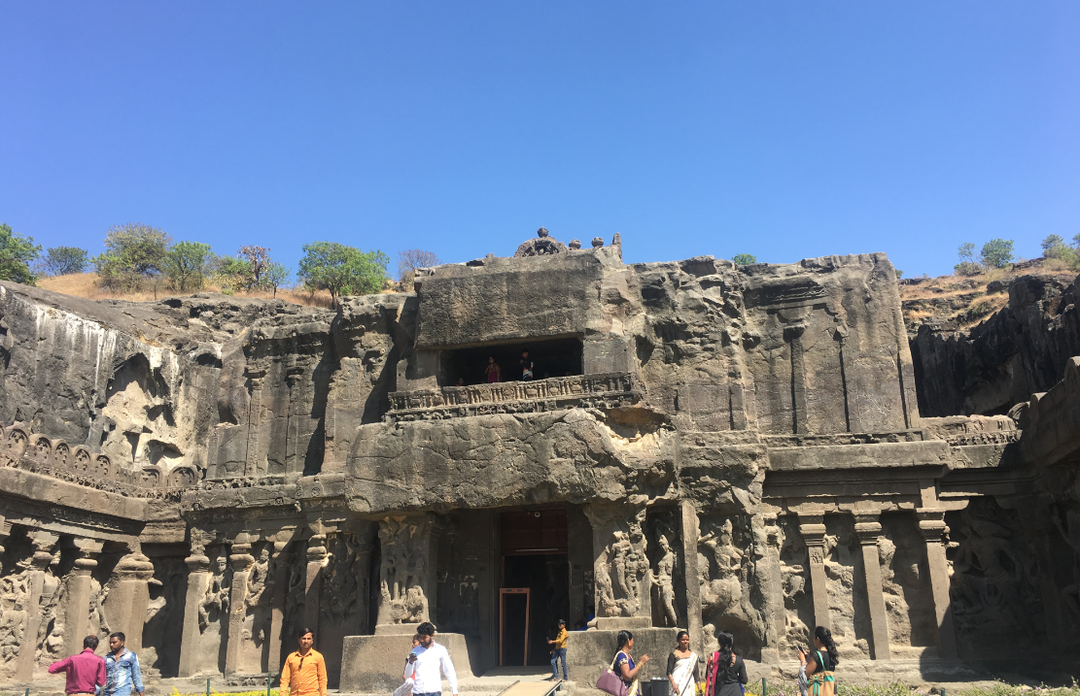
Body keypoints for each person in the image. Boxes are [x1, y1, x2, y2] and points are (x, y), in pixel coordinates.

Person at [407, 621, 458, 696]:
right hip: (418, 691)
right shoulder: (415, 651)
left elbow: (449, 670)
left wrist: (454, 691)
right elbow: (408, 675)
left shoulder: (440, 649)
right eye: (420, 637)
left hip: (434, 691)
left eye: (425, 637)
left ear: (432, 636)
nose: (422, 640)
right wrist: (410, 663)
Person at [280, 628, 327, 696]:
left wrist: (324, 694)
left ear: (312, 641)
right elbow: (285, 678)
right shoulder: (291, 657)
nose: (306, 641)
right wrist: (282, 694)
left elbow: (322, 678)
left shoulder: (318, 657)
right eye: (303, 638)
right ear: (299, 640)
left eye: (308, 639)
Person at [797, 626, 838, 696]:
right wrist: (809, 659)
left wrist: (803, 660)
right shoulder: (831, 654)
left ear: (818, 639)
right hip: (829, 691)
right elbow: (821, 666)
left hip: (818, 692)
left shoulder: (816, 655)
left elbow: (805, 675)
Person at [704, 631, 746, 696]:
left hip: (720, 691)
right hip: (736, 692)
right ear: (732, 643)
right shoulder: (738, 659)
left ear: (719, 643)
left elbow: (708, 676)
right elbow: (744, 680)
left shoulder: (714, 658)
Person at [614, 630, 649, 696]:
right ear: (628, 641)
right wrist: (640, 663)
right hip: (626, 691)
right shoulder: (622, 656)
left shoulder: (628, 655)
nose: (633, 642)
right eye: (632, 640)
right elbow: (627, 676)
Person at [666, 630, 701, 696]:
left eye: (687, 640)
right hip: (677, 684)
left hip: (689, 686)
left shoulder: (693, 656)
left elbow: (696, 673)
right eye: (683, 640)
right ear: (678, 640)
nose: (685, 642)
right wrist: (673, 684)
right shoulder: (674, 654)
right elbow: (669, 672)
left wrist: (699, 688)